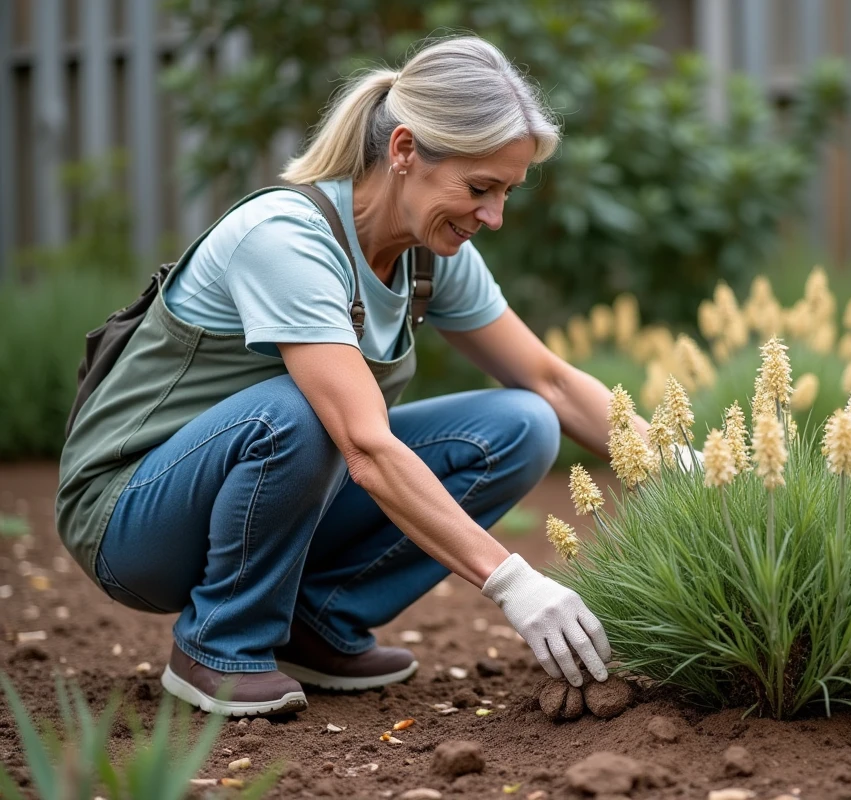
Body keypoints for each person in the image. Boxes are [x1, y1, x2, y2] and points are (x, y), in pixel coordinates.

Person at [55, 36, 667, 717]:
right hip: (131, 519)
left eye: (506, 193)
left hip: (262, 497)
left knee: (522, 425)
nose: (493, 217)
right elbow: (365, 446)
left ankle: (315, 625)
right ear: (404, 151)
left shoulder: (430, 252)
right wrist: (513, 582)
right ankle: (219, 645)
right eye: (480, 188)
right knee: (305, 410)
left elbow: (549, 381)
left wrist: (687, 468)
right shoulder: (286, 238)